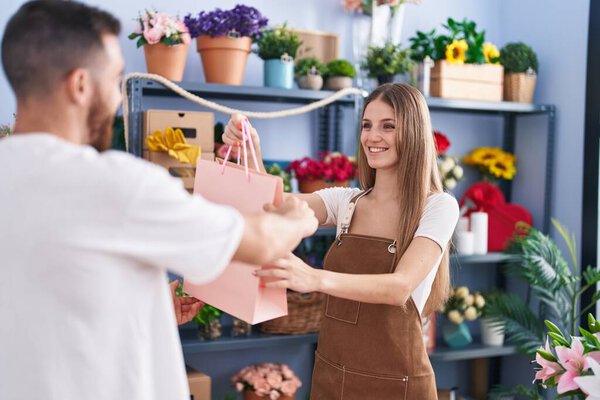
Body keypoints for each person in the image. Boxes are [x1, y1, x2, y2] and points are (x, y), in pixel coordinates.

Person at [0, 2, 317, 400]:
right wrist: (296, 217)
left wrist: (150, 304)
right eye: (115, 81)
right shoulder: (115, 184)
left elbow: (45, 297)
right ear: (80, 85)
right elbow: (262, 242)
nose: (118, 101)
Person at [224, 83, 459, 399]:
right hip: (333, 376)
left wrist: (314, 278)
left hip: (397, 384)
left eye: (388, 126)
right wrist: (250, 152)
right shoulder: (346, 202)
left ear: (414, 133)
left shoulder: (438, 206)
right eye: (367, 125)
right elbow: (274, 205)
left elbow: (400, 287)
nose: (372, 137)